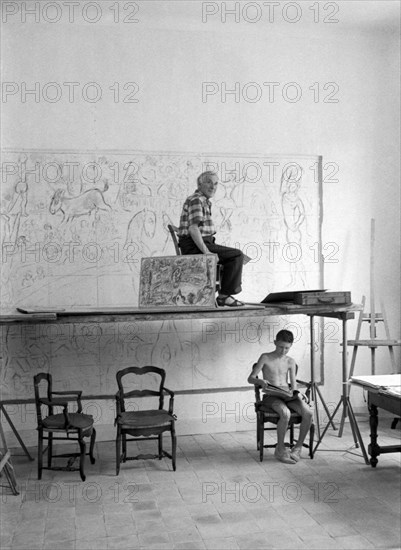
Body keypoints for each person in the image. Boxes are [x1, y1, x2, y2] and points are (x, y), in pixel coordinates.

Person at [178, 171, 245, 307]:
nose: (213, 187)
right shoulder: (196, 200)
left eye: (215, 184)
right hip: (194, 245)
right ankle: (224, 296)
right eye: (209, 182)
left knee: (235, 257)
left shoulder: (204, 201)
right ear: (200, 184)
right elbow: (193, 229)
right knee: (237, 255)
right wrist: (207, 252)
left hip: (201, 242)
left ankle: (222, 294)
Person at [248, 329, 313, 464]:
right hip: (272, 395)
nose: (283, 351)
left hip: (287, 394)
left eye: (287, 348)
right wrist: (260, 381)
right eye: (280, 347)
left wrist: (298, 393)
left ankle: (298, 448)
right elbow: (251, 378)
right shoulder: (265, 357)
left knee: (308, 412)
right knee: (285, 413)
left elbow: (294, 384)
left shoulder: (290, 361)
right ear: (275, 342)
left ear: (291, 346)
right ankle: (280, 449)